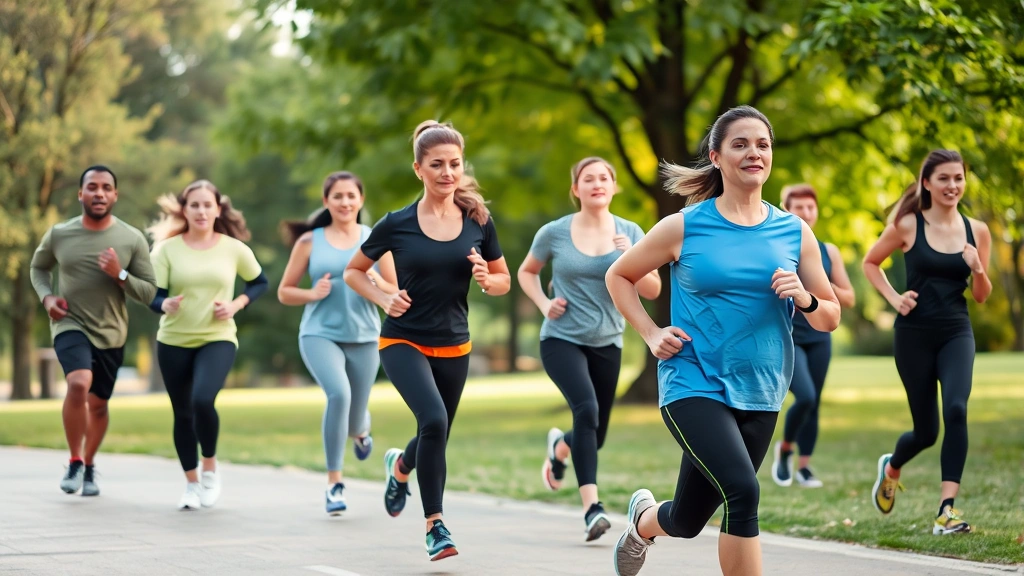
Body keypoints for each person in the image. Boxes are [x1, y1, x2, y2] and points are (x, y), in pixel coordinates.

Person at [605, 105, 841, 576]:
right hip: (692, 382)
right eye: (740, 144)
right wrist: (651, 334)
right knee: (743, 491)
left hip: (762, 387)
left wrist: (806, 299)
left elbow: (830, 316)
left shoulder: (795, 232)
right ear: (715, 156)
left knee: (689, 518)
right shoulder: (684, 225)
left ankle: (643, 524)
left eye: (762, 144)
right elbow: (620, 274)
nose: (754, 153)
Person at [344, 120, 510, 561]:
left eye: (454, 164)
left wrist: (486, 280)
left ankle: (401, 467)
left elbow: (503, 279)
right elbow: (353, 271)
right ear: (418, 169)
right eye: (436, 165)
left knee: (435, 431)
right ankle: (436, 526)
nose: (447, 173)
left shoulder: (478, 220)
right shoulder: (396, 224)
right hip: (403, 340)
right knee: (433, 420)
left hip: (455, 343)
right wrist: (384, 297)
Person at [518, 157, 661, 541]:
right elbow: (526, 271)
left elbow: (653, 289)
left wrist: (631, 253)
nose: (597, 183)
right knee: (586, 410)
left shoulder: (631, 231)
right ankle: (592, 509)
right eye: (588, 178)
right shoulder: (555, 232)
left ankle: (560, 447)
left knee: (593, 434)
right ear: (575, 189)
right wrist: (544, 304)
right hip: (561, 339)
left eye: (604, 178)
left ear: (614, 187)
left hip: (607, 342)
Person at [863, 149, 991, 535]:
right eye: (944, 179)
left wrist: (978, 268)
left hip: (956, 332)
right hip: (914, 336)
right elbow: (871, 263)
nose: (953, 186)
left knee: (956, 409)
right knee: (926, 432)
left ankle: (945, 511)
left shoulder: (978, 231)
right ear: (926, 183)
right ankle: (891, 467)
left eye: (958, 178)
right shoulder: (907, 225)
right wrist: (894, 299)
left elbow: (982, 296)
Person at [30, 165, 158, 497]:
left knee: (98, 405)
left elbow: (148, 293)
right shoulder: (60, 234)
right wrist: (47, 298)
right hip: (69, 323)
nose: (98, 193)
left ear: (115, 195)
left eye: (106, 187)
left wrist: (121, 274)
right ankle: (74, 460)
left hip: (112, 332)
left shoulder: (131, 239)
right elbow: (38, 267)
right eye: (92, 187)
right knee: (78, 382)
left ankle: (88, 466)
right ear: (80, 194)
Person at [278, 171, 398, 515]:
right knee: (338, 395)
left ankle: (361, 429)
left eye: (351, 196)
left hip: (364, 336)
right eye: (337, 196)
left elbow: (395, 288)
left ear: (360, 201)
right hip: (319, 333)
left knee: (354, 416)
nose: (345, 202)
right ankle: (334, 484)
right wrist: (311, 293)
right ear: (326, 202)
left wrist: (375, 279)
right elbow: (285, 291)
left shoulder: (375, 238)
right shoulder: (309, 242)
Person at [147, 180, 269, 510]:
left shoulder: (233, 248)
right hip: (173, 340)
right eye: (194, 205)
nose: (201, 211)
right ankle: (191, 484)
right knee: (182, 413)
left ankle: (210, 469)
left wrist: (236, 304)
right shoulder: (166, 250)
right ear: (184, 211)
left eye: (207, 205)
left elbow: (259, 282)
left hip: (218, 337)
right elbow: (152, 295)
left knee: (203, 399)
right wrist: (164, 304)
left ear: (218, 209)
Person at [770, 184, 856, 489]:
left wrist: (820, 288)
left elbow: (848, 297)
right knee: (804, 397)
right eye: (798, 208)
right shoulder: (776, 244)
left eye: (810, 207)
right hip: (789, 335)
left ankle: (804, 467)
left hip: (820, 335)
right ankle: (784, 451)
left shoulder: (828, 251)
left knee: (814, 402)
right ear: (785, 209)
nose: (806, 213)